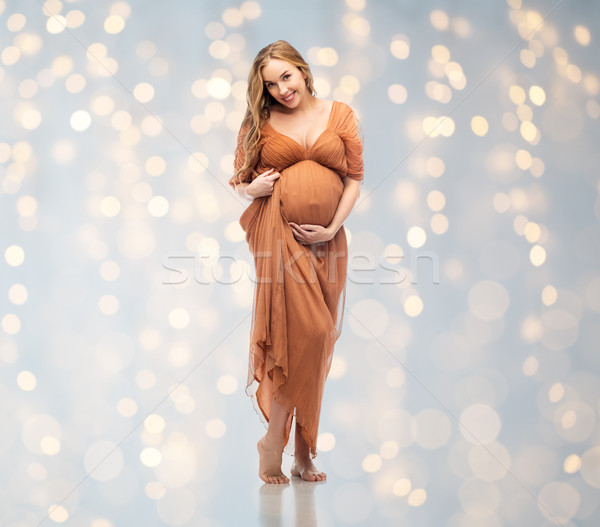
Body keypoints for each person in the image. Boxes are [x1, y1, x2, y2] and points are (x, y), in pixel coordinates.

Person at [229, 40, 364, 484]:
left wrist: (330, 229)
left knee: (319, 345)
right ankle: (274, 439)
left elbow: (354, 179)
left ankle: (303, 451)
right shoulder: (260, 122)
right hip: (280, 237)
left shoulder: (340, 114)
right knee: (308, 334)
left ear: (303, 71)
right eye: (270, 84)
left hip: (329, 242)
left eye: (286, 76)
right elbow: (239, 180)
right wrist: (253, 191)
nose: (281, 89)